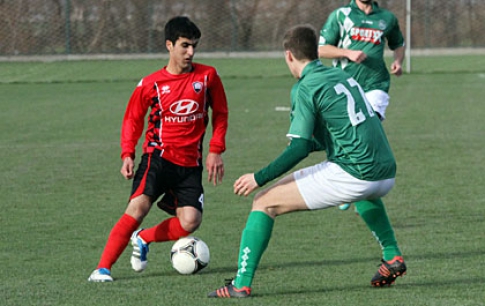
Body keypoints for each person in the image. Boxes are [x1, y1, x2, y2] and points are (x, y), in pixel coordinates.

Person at [208, 24, 405, 298]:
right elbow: (330, 138)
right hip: (386, 172)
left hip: (356, 174)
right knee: (363, 193)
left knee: (263, 202)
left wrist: (258, 177)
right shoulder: (339, 75)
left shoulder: (305, 87)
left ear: (289, 55)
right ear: (316, 52)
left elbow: (299, 147)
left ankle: (240, 284)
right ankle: (392, 255)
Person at [88, 16, 229, 282]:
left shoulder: (208, 76)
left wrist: (215, 149)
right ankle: (102, 268)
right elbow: (132, 118)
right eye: (185, 46)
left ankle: (143, 239)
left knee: (190, 222)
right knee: (138, 207)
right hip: (158, 157)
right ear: (169, 45)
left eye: (194, 46)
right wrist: (127, 153)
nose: (191, 52)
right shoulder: (151, 84)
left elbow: (221, 113)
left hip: (190, 164)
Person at [318, 0, 405, 211]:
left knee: (368, 128)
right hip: (346, 86)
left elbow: (398, 44)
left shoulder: (387, 18)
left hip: (377, 84)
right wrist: (347, 53)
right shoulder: (341, 15)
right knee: (349, 135)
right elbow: (321, 49)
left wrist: (398, 61)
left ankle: (359, 182)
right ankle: (351, 179)